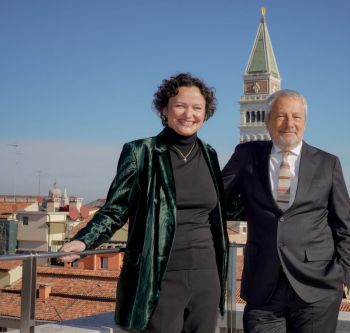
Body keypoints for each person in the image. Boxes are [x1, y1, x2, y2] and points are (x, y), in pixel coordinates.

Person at [60, 73, 229, 333]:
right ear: (165, 108)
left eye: (197, 108)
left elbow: (219, 210)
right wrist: (85, 240)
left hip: (207, 274)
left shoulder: (210, 154)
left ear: (206, 113)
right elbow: (116, 209)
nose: (189, 114)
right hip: (158, 273)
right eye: (180, 105)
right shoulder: (141, 152)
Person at [222, 89, 350, 333]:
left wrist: (344, 276)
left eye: (296, 117)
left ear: (305, 122)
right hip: (263, 288)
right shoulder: (246, 155)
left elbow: (343, 226)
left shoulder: (328, 163)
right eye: (281, 116)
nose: (289, 124)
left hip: (317, 288)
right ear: (268, 121)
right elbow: (218, 200)